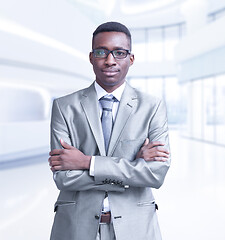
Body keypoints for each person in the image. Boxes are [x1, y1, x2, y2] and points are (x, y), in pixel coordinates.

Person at [48, 21, 170, 240]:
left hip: (136, 228)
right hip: (75, 227)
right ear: (91, 57)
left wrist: (87, 163)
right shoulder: (64, 107)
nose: (110, 60)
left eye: (119, 53)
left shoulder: (152, 107)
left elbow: (155, 174)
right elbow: (64, 177)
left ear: (131, 59)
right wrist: (132, 169)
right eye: (101, 52)